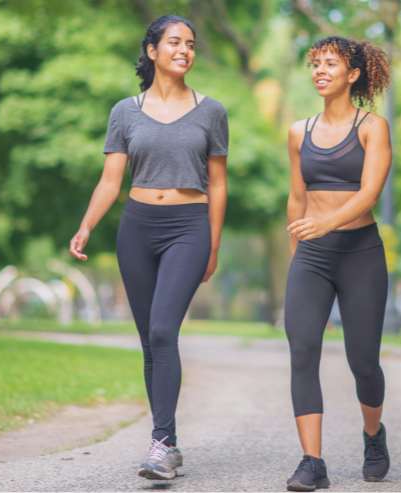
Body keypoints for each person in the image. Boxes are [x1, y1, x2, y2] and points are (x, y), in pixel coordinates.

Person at [68, 15, 228, 481]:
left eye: (191, 44)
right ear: (152, 51)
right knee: (150, 343)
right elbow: (111, 179)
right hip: (137, 227)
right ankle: (168, 443)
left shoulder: (211, 111)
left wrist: (213, 244)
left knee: (163, 330)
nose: (184, 50)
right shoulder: (125, 112)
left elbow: (218, 184)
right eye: (174, 42)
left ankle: (158, 445)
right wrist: (86, 226)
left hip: (189, 226)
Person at [284, 36, 392, 490]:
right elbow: (297, 197)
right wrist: (297, 255)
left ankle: (373, 435)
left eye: (331, 64)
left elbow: (369, 194)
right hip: (313, 257)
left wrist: (325, 223)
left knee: (362, 361)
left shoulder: (373, 127)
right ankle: (312, 462)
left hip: (360, 254)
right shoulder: (297, 132)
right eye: (316, 64)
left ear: (352, 75)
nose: (321, 71)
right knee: (303, 352)